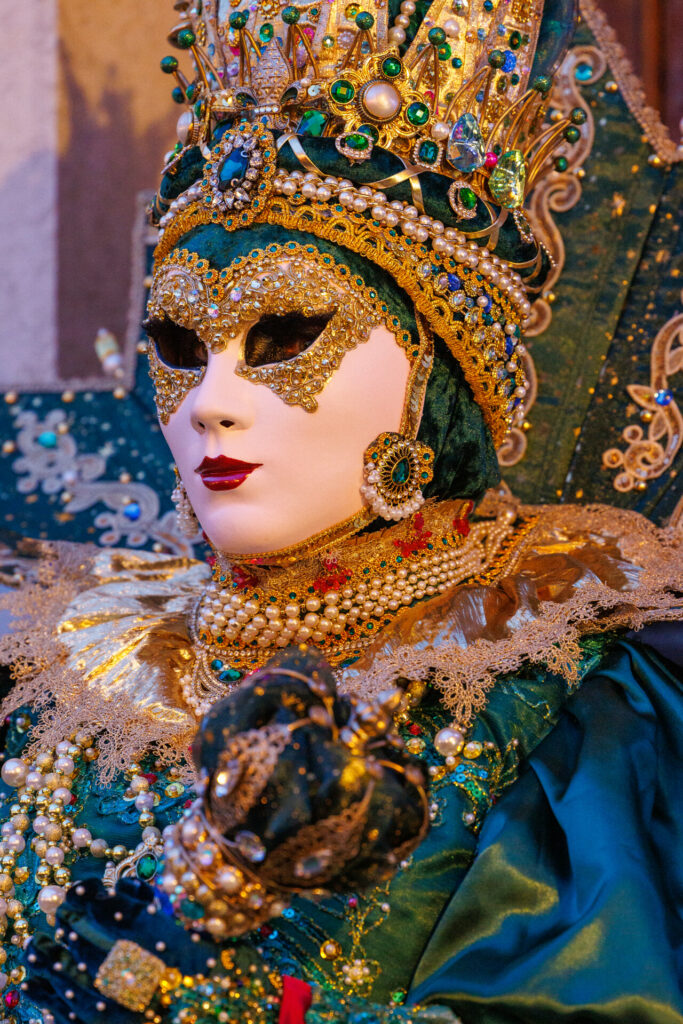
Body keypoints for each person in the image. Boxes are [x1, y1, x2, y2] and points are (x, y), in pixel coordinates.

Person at [0, 0, 681, 1022]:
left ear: (430, 379)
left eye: (283, 332)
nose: (209, 401)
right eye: (180, 345)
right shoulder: (64, 672)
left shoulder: (543, 703)